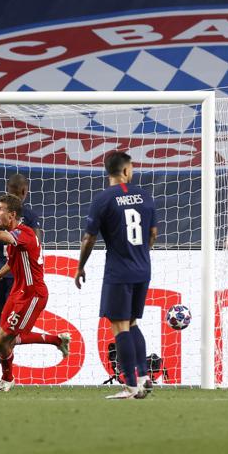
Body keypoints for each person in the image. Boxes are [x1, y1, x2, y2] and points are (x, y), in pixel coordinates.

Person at [0, 195, 70, 392]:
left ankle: (8, 378)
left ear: (12, 215)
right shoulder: (14, 238)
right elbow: (12, 263)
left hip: (32, 294)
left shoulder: (24, 233)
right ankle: (56, 340)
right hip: (17, 293)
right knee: (2, 340)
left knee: (5, 340)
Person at [75, 151, 157, 400]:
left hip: (118, 271)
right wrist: (141, 253)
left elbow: (89, 237)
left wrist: (81, 266)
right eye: (131, 166)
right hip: (143, 268)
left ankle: (131, 386)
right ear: (125, 171)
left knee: (119, 326)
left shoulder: (103, 199)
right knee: (132, 322)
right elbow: (152, 233)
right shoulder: (144, 196)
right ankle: (143, 377)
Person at [0, 174, 42, 388]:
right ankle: (7, 373)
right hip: (17, 280)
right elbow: (36, 244)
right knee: (10, 332)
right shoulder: (29, 215)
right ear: (24, 192)